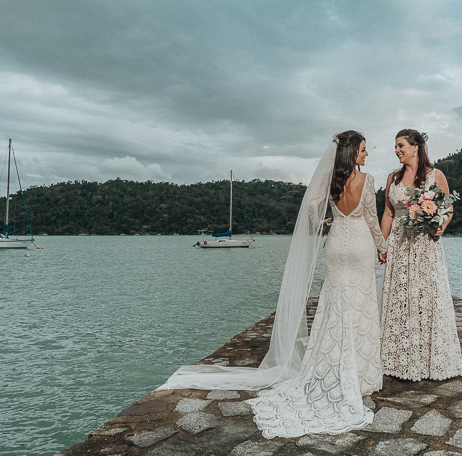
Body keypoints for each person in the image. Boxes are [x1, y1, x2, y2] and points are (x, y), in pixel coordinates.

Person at [159, 131, 387, 438]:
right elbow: (372, 218)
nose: (366, 154)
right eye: (362, 150)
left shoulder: (331, 182)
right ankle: (361, 374)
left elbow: (313, 209)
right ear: (350, 153)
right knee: (361, 304)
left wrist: (332, 221)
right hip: (359, 245)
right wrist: (382, 246)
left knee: (335, 305)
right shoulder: (366, 180)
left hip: (335, 246)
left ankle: (329, 367)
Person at [379, 128, 462, 382]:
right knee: (399, 298)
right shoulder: (392, 179)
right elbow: (388, 214)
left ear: (415, 147)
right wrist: (381, 245)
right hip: (399, 243)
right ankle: (397, 359)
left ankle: (429, 361)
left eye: (401, 145)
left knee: (427, 298)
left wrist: (441, 224)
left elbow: (447, 208)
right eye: (395, 146)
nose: (397, 150)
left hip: (425, 245)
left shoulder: (435, 175)